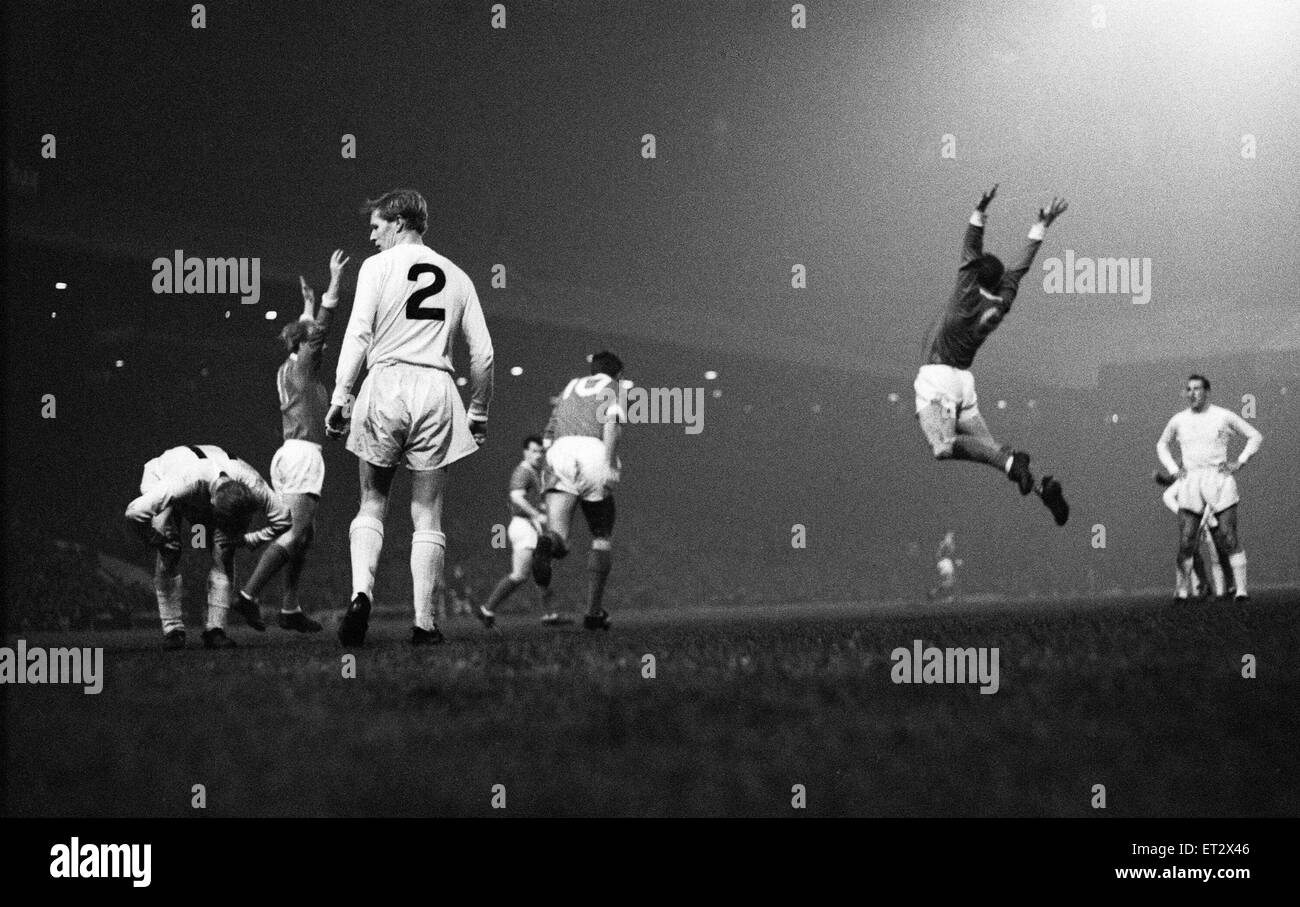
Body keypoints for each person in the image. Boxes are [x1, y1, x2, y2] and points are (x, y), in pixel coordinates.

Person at [326, 188, 494, 646]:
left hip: (387, 381)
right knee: (427, 512)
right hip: (437, 388)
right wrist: (477, 412)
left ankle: (362, 593)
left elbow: (358, 332)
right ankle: (424, 623)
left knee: (372, 502)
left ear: (400, 222)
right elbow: (484, 355)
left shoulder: (376, 268)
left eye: (377, 225)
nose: (373, 235)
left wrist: (341, 395)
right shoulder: (459, 276)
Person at [915, 184, 1069, 525]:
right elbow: (1019, 269)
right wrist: (1042, 226)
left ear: (975, 275)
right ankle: (1042, 487)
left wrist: (980, 208)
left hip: (938, 376)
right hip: (963, 384)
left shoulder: (965, 296)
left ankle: (1014, 465)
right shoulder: (1003, 301)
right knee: (993, 449)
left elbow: (971, 249)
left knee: (943, 446)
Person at [235, 250, 348, 633]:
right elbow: (323, 327)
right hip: (302, 456)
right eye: (314, 344)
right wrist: (333, 283)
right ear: (303, 347)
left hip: (287, 454)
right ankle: (248, 596)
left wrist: (306, 304)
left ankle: (290, 607)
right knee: (296, 532)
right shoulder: (304, 364)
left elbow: (307, 330)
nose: (322, 349)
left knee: (306, 532)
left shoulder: (289, 367)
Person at [125, 444, 291, 649]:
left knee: (225, 551)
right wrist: (153, 537)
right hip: (162, 474)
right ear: (212, 506)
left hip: (203, 481)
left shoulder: (254, 485)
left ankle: (215, 630)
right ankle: (173, 630)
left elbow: (284, 520)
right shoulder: (182, 484)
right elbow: (134, 511)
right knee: (169, 550)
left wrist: (247, 539)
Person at [530, 352, 625, 631]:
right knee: (601, 533)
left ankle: (547, 542)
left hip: (560, 452)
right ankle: (593, 613)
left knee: (559, 537)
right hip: (593, 451)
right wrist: (608, 465)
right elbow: (612, 425)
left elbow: (549, 431)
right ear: (618, 374)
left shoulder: (571, 386)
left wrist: (551, 462)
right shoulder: (615, 388)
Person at [1156, 374, 1262, 602]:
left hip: (1219, 480)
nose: (1192, 393)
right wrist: (1174, 469)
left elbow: (1255, 436)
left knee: (1228, 537)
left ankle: (1241, 590)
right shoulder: (1178, 420)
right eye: (1188, 389)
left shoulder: (1223, 416)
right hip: (1191, 482)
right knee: (1187, 541)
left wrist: (1240, 461)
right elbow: (1162, 444)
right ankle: (1182, 591)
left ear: (1207, 391)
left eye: (1197, 388)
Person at [474, 435, 559, 628]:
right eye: (534, 451)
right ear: (525, 452)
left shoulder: (535, 472)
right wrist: (536, 514)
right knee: (521, 574)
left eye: (540, 452)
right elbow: (516, 497)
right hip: (523, 526)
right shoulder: (523, 471)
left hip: (530, 527)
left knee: (542, 569)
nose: (538, 455)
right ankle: (487, 609)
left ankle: (550, 614)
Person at [1152, 468, 1229, 599]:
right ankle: (1201, 588)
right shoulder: (1188, 473)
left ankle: (1220, 590)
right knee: (1194, 554)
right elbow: (1168, 494)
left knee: (1214, 554)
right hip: (1200, 519)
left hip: (1210, 518)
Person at [928, 530, 961, 603]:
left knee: (950, 581)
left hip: (945, 562)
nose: (952, 535)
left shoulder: (948, 543)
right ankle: (938, 594)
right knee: (950, 580)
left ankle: (936, 594)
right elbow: (941, 554)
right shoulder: (945, 543)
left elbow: (948, 553)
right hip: (945, 562)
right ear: (946, 535)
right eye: (950, 534)